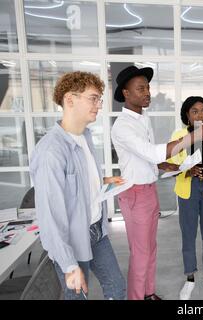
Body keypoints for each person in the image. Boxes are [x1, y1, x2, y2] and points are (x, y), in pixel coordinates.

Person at [111, 66, 203, 300]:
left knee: (150, 250)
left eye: (148, 87)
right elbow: (153, 153)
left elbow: (151, 160)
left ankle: (149, 293)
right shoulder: (123, 125)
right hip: (136, 192)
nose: (147, 92)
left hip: (151, 189)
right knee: (142, 253)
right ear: (125, 92)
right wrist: (196, 137)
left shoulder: (143, 119)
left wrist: (171, 166)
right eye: (140, 88)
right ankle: (139, 296)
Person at [30, 71, 126, 300]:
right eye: (93, 98)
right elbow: (50, 216)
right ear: (69, 99)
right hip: (72, 241)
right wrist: (68, 265)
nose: (99, 105)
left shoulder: (85, 137)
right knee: (77, 297)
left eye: (99, 99)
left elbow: (75, 180)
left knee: (116, 287)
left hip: (97, 231)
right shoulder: (50, 152)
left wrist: (102, 181)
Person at [167, 96, 203, 300]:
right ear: (187, 114)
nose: (200, 115)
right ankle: (190, 278)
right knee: (188, 235)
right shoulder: (178, 135)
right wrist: (187, 172)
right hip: (188, 189)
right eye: (195, 111)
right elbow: (173, 166)